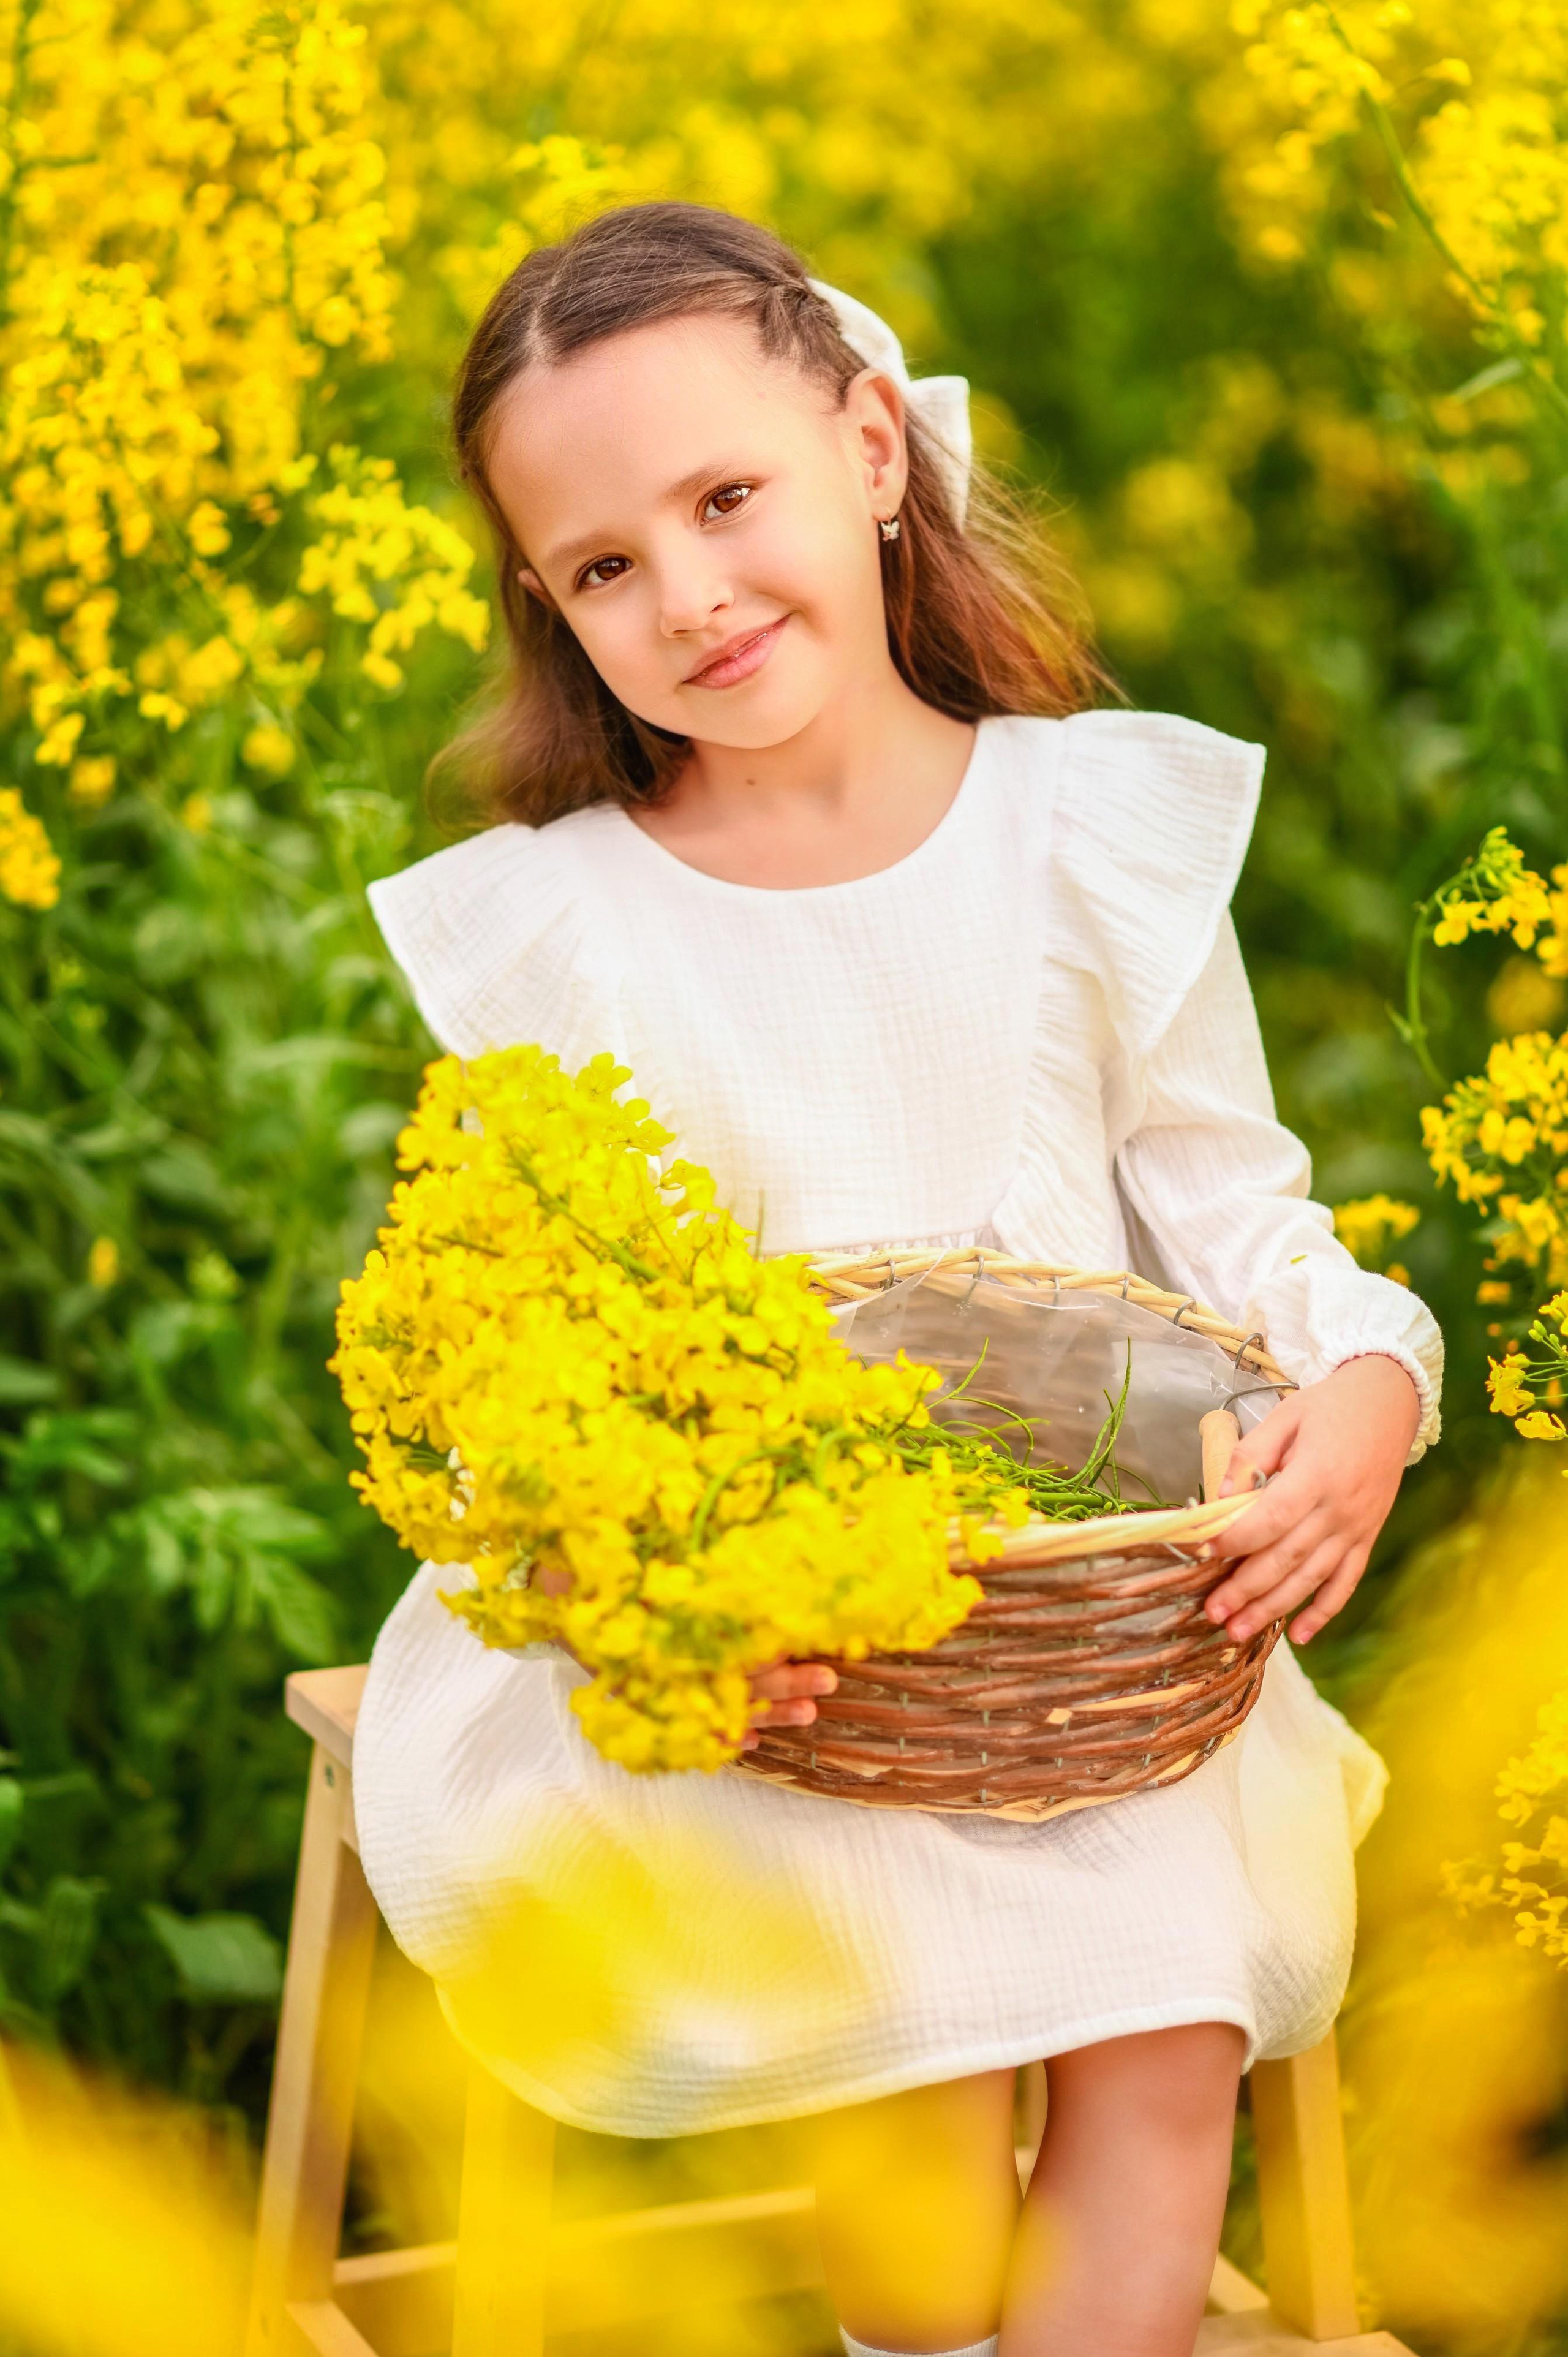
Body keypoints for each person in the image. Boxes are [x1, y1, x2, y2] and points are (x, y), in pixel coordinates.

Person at [352, 200, 1443, 2357]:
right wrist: (627, 1605)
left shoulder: (1081, 836)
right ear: (548, 608)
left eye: (726, 498)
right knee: (926, 2031)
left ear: (868, 448)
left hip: (1086, 1643)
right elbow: (510, 1352)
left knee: (1167, 2016)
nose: (687, 596)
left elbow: (1236, 1208)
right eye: (601, 567)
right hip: (792, 1676)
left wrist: (1370, 1385)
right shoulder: (565, 929)